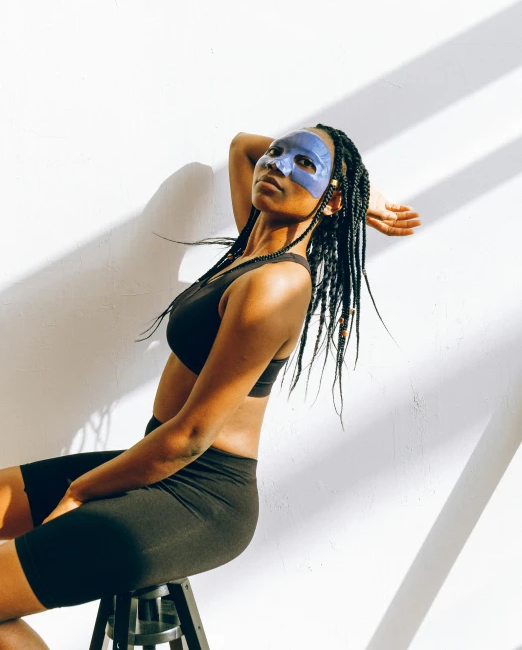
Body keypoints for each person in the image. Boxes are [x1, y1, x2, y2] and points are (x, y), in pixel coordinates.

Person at [0, 124, 421, 647]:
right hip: (156, 468)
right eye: (277, 154)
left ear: (329, 200)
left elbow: (193, 434)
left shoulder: (276, 283)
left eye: (304, 164)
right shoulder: (252, 248)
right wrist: (361, 193)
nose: (276, 165)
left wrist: (81, 490)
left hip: (199, 499)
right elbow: (244, 144)